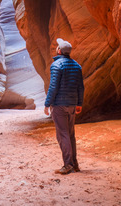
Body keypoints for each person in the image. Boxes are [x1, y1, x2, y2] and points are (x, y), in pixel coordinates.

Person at [44, 38, 84, 175]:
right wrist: (79, 103)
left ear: (59, 51)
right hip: (72, 105)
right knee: (71, 134)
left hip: (59, 106)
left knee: (63, 134)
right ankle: (75, 164)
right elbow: (80, 87)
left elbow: (53, 87)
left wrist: (47, 103)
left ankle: (68, 165)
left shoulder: (57, 66)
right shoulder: (77, 66)